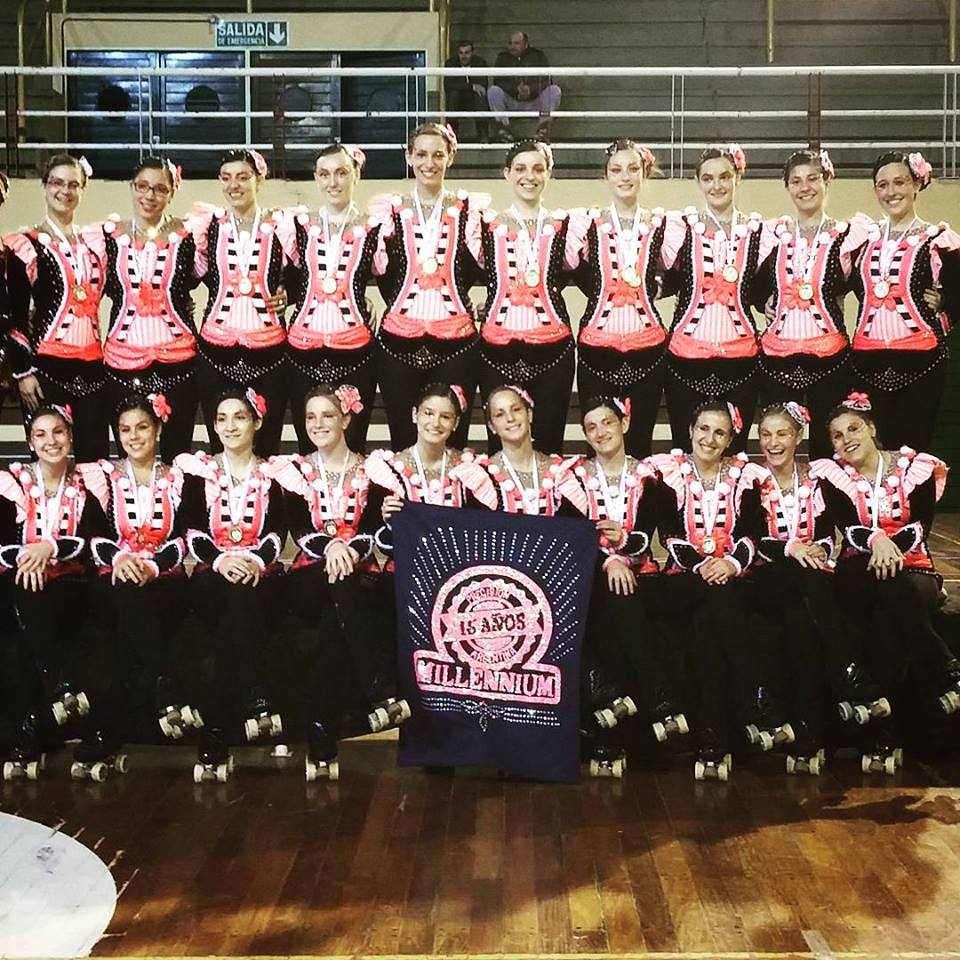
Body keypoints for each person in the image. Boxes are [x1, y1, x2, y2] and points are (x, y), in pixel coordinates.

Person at [649, 401, 793, 781]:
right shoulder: (669, 474)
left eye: (719, 432)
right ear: (690, 430)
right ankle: (756, 693)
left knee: (708, 622)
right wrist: (703, 566)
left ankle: (711, 741)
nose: (709, 439)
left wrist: (729, 564)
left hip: (731, 578)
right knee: (713, 601)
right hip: (683, 579)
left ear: (730, 439)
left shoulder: (746, 477)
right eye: (703, 429)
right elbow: (670, 535)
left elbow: (752, 533)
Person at [811, 392, 953, 774]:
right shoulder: (834, 477)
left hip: (913, 567)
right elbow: (848, 528)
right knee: (884, 592)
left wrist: (890, 550)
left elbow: (920, 526)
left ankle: (881, 728)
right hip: (857, 571)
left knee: (888, 616)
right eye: (837, 435)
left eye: (853, 429)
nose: (846, 440)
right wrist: (877, 541)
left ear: (872, 428)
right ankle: (942, 667)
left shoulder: (917, 467)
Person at [753, 401, 889, 775]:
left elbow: (831, 533)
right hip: (768, 580)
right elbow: (751, 538)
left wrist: (820, 550)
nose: (773, 443)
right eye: (766, 435)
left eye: (782, 434)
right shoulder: (751, 480)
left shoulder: (818, 479)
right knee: (806, 579)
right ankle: (848, 668)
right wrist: (794, 548)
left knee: (802, 625)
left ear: (798, 437)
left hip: (808, 584)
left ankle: (808, 735)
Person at [264, 384, 390, 780]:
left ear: (346, 419)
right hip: (309, 576)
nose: (318, 424)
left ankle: (320, 734)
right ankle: (379, 687)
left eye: (328, 415)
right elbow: (299, 529)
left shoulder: (372, 470)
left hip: (357, 575)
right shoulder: (295, 471)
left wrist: (349, 552)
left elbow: (373, 529)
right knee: (339, 584)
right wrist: (335, 547)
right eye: (311, 417)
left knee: (335, 623)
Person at [73, 394, 199, 780]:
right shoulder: (103, 477)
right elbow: (93, 537)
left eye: (142, 427)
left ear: (158, 429)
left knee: (133, 625)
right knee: (128, 594)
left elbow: (186, 538)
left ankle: (105, 733)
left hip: (165, 580)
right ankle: (168, 690)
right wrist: (121, 560)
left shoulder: (179, 477)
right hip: (116, 579)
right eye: (125, 429)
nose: (133, 436)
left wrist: (152, 565)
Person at [568, 396, 691, 770]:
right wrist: (609, 562)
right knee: (610, 605)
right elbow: (573, 536)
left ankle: (615, 734)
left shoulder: (649, 478)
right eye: (591, 427)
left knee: (622, 604)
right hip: (592, 576)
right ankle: (658, 702)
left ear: (623, 424)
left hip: (639, 577)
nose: (600, 432)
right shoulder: (574, 479)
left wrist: (622, 548)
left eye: (607, 422)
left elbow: (651, 535)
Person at [175, 389, 288, 782]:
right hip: (212, 575)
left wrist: (254, 560)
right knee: (231, 602)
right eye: (222, 419)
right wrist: (223, 560)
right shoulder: (200, 472)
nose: (230, 426)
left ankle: (216, 731)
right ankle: (255, 693)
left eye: (239, 417)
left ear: (257, 422)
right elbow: (191, 529)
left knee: (242, 607)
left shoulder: (273, 473)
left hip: (259, 576)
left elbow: (277, 532)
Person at [0, 404, 108, 781]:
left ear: (71, 436)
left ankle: (37, 724)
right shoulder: (11, 484)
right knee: (27, 595)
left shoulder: (88, 484)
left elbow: (93, 542)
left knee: (39, 602)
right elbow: (2, 545)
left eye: (58, 432)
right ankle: (61, 691)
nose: (51, 441)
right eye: (41, 435)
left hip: (72, 582)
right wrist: (28, 558)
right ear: (30, 443)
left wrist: (50, 548)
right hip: (21, 580)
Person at [371, 123, 486, 450]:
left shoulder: (470, 211)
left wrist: (491, 302)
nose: (429, 163)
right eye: (421, 154)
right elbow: (378, 270)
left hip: (458, 344)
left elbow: (491, 264)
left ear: (451, 157)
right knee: (403, 439)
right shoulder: (389, 211)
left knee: (453, 440)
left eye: (438, 155)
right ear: (408, 157)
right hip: (398, 344)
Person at [754, 150, 868, 460]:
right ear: (787, 187)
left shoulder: (848, 236)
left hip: (830, 360)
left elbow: (869, 283)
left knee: (828, 449)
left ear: (826, 181)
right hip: (777, 361)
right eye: (796, 181)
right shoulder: (772, 236)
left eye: (812, 179)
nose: (805, 187)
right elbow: (750, 282)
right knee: (778, 445)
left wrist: (938, 296)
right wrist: (764, 301)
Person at [662, 145, 771, 455]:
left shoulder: (758, 232)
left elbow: (764, 287)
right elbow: (663, 279)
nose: (717, 185)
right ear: (698, 182)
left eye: (724, 177)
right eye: (708, 178)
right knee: (686, 451)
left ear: (738, 177)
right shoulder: (681, 228)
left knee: (735, 454)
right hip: (685, 360)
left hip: (742, 361)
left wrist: (772, 303)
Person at [478, 141, 586, 453]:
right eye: (521, 169)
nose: (529, 176)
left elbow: (587, 277)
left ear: (549, 174)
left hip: (553, 351)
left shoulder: (566, 227)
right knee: (501, 446)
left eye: (538, 169)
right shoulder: (485, 226)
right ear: (507, 174)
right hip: (496, 351)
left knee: (549, 443)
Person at [576, 140, 682, 458]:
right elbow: (567, 271)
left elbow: (683, 274)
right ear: (605, 176)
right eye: (616, 170)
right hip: (596, 351)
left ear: (643, 173)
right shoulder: (586, 225)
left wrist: (653, 289)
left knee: (639, 445)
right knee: (598, 443)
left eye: (633, 169)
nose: (625, 176)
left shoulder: (663, 226)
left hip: (648, 351)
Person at [849, 151, 959, 451]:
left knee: (914, 451)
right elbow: (830, 281)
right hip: (867, 362)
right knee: (872, 454)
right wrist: (768, 299)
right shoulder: (863, 239)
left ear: (916, 184)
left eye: (899, 182)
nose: (891, 192)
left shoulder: (937, 238)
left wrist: (945, 301)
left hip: (921, 362)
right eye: (882, 185)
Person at [92, 157, 201, 461]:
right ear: (131, 187)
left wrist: (282, 288)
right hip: (122, 362)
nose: (149, 195)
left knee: (178, 455)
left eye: (160, 189)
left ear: (172, 193)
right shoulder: (108, 236)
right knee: (132, 451)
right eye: (142, 186)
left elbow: (222, 277)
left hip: (179, 362)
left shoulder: (189, 237)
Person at [4, 154, 109, 461]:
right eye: (57, 183)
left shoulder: (94, 244)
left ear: (83, 189)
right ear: (45, 187)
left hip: (93, 368)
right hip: (45, 369)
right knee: (49, 458)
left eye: (73, 184)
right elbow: (16, 316)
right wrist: (23, 372)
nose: (65, 191)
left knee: (95, 459)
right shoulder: (26, 244)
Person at [189, 149, 294, 457]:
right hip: (215, 353)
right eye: (226, 178)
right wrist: (182, 303)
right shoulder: (208, 226)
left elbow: (306, 273)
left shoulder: (281, 225)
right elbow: (183, 274)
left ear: (259, 180)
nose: (234, 185)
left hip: (270, 353)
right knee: (221, 443)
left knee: (267, 443)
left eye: (243, 177)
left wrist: (290, 292)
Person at [286, 144, 378, 454]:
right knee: (308, 444)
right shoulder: (298, 226)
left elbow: (394, 276)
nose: (333, 182)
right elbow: (283, 277)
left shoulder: (374, 227)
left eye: (341, 173)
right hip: (302, 352)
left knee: (353, 443)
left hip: (356, 351)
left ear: (356, 175)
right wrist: (281, 296)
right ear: (316, 177)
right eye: (324, 174)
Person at [487, 31, 561, 142]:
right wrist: (516, 89)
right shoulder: (503, 57)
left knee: (554, 90)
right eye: (510, 43)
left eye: (516, 43)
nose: (512, 47)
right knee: (493, 91)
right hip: (512, 101)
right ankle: (504, 130)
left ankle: (543, 131)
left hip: (534, 101)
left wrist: (530, 89)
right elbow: (498, 81)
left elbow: (546, 80)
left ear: (525, 44)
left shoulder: (538, 56)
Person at [443, 40, 489, 143]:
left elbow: (482, 85)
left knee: (480, 95)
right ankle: (453, 135)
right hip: (458, 100)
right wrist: (471, 87)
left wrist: (467, 87)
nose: (464, 56)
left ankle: (483, 134)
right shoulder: (451, 63)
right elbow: (448, 85)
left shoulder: (480, 63)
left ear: (472, 53)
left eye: (467, 53)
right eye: (461, 53)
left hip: (474, 99)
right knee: (453, 94)